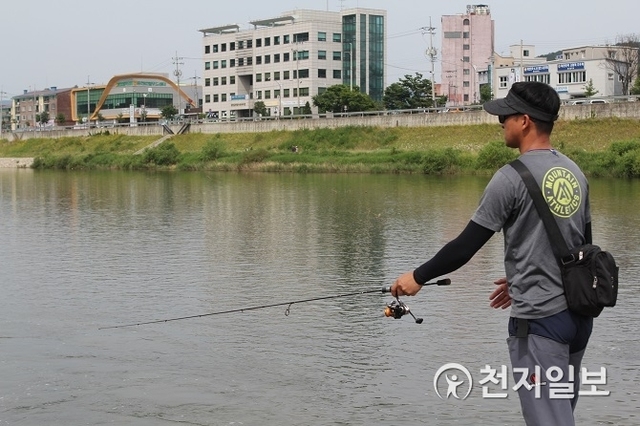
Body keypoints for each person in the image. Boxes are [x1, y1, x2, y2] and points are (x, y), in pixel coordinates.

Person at [390, 81, 593, 426]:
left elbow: (466, 245)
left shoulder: (511, 178)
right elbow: (583, 248)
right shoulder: (574, 172)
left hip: (540, 322)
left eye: (507, 115)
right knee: (560, 415)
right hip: (577, 318)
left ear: (525, 121)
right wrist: (521, 279)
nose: (501, 122)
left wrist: (417, 277)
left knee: (549, 421)